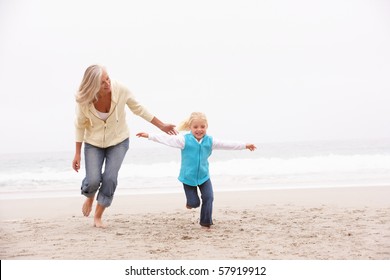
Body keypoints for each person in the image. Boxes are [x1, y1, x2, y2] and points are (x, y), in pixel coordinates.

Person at [72, 64, 176, 228]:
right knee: (93, 180)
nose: (107, 83)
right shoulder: (84, 101)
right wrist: (77, 153)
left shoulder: (120, 89)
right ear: (92, 86)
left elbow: (138, 109)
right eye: (102, 82)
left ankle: (98, 216)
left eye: (107, 78)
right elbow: (79, 125)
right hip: (93, 142)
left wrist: (161, 126)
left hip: (118, 141)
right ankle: (90, 195)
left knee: (110, 178)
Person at [136, 112, 256, 228]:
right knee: (194, 203)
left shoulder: (210, 141)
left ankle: (206, 222)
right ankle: (190, 203)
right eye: (195, 127)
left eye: (202, 127)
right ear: (190, 127)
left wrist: (245, 145)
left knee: (209, 197)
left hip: (204, 176)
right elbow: (166, 139)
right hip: (188, 178)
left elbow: (228, 144)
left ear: (206, 127)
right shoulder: (183, 140)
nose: (199, 130)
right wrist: (149, 136)